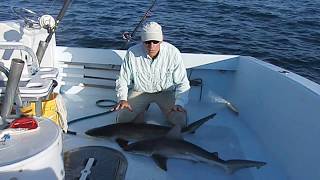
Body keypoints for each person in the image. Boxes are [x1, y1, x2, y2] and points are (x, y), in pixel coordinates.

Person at [113, 21, 190, 127]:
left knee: (181, 121)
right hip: (140, 91)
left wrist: (180, 103)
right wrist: (122, 99)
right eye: (147, 42)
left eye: (155, 42)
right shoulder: (131, 53)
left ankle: (159, 111)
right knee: (122, 119)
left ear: (161, 40)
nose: (151, 46)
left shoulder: (173, 53)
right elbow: (122, 79)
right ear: (142, 41)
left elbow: (182, 82)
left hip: (165, 92)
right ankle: (141, 110)